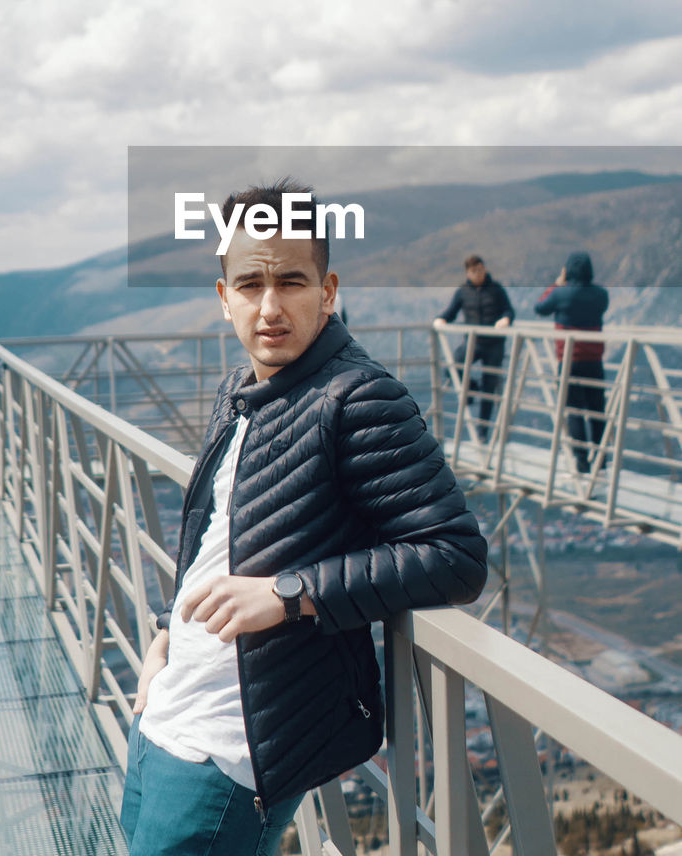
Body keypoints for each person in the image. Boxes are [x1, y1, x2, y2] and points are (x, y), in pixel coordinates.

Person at [119, 181, 488, 856]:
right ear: (223, 295)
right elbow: (218, 537)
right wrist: (165, 641)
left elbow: (454, 557)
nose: (269, 307)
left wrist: (290, 594)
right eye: (249, 284)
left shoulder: (359, 397)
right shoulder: (242, 391)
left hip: (229, 751)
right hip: (166, 712)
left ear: (328, 289)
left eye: (291, 281)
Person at [534, 252, 609, 474]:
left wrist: (556, 285)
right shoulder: (601, 294)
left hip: (569, 361)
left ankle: (581, 460)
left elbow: (541, 308)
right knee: (597, 411)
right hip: (594, 360)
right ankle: (602, 459)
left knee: (575, 410)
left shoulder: (560, 293)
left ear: (568, 270)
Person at [433, 255, 515, 442]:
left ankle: (482, 431)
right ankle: (470, 388)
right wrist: (441, 319)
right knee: (453, 367)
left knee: (490, 386)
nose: (479, 274)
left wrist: (506, 319)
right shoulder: (463, 292)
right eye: (475, 271)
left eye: (481, 269)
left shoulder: (496, 290)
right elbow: (451, 312)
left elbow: (509, 310)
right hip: (473, 343)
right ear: (468, 273)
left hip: (494, 344)